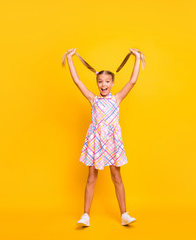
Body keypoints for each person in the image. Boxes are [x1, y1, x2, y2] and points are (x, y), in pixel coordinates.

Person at [61, 48, 146, 226]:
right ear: (97, 83)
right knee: (92, 177)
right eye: (100, 82)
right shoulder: (93, 99)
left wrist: (137, 57)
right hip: (96, 140)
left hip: (112, 141)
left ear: (113, 83)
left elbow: (133, 81)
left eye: (107, 81)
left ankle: (124, 214)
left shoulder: (117, 99)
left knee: (117, 177)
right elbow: (77, 81)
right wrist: (70, 57)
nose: (103, 84)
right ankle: (86, 215)